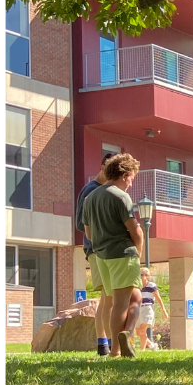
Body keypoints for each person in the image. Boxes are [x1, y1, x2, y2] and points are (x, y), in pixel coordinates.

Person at [79, 153, 145, 359]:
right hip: (123, 254)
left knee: (135, 298)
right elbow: (136, 231)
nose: (131, 184)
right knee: (121, 304)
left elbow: (88, 233)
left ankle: (127, 334)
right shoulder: (120, 196)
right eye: (132, 178)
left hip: (102, 257)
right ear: (124, 174)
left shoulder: (90, 197)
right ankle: (116, 350)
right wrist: (139, 254)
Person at [75, 152, 114, 355]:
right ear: (101, 166)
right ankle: (106, 344)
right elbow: (80, 223)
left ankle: (105, 344)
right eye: (109, 168)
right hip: (95, 248)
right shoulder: (90, 190)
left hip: (107, 249)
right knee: (108, 296)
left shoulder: (111, 190)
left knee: (108, 297)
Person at [134, 268, 162, 349]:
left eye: (145, 274)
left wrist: (163, 311)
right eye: (141, 274)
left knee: (143, 331)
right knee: (139, 333)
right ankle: (152, 346)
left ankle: (142, 351)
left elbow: (158, 298)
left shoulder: (152, 286)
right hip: (138, 309)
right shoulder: (137, 287)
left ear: (148, 276)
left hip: (147, 309)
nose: (143, 276)